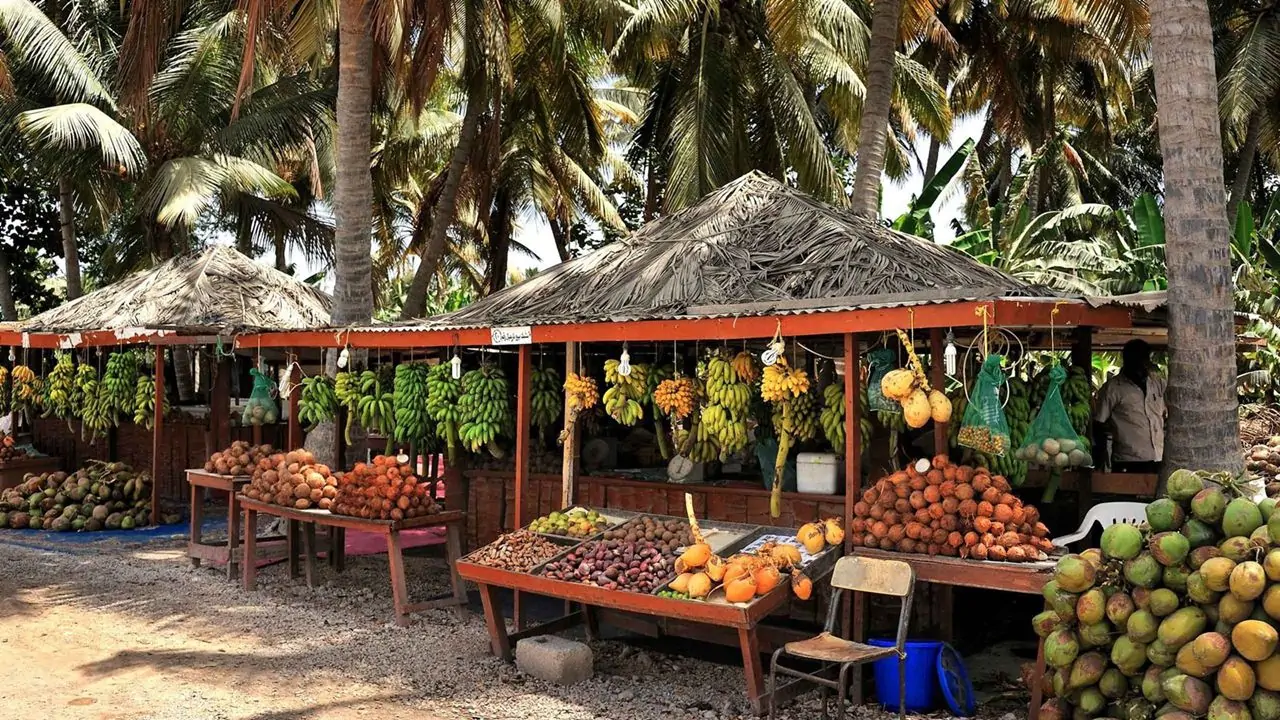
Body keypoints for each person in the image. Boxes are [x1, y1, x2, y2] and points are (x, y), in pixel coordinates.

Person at [1094, 339, 1166, 473]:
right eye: (1136, 359)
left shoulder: (1157, 383)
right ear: (1127, 359)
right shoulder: (1113, 388)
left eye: (1144, 359)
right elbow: (1098, 423)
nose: (1141, 364)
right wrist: (1100, 454)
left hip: (1158, 456)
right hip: (1129, 459)